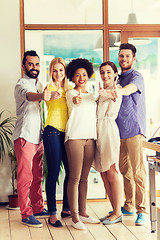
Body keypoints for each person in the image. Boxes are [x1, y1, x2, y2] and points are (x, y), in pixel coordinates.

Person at [13, 50, 51, 227]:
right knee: (25, 177)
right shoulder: (21, 85)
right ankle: (26, 214)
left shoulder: (39, 83)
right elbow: (29, 97)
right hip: (24, 137)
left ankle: (37, 207)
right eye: (30, 64)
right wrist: (42, 96)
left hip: (38, 138)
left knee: (37, 176)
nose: (34, 68)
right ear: (24, 65)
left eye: (36, 64)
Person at [112, 43, 147, 226]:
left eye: (127, 56)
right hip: (119, 131)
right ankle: (129, 205)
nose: (123, 59)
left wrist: (117, 91)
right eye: (121, 56)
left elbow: (130, 89)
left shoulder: (136, 76)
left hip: (134, 130)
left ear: (133, 59)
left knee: (138, 172)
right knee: (125, 170)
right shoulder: (118, 78)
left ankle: (142, 210)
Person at [65, 58, 100, 230]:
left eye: (84, 74)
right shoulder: (71, 94)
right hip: (75, 138)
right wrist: (77, 100)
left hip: (90, 139)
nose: (81, 77)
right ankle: (74, 217)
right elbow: (75, 102)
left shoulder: (92, 96)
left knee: (85, 178)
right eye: (77, 75)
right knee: (75, 178)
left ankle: (84, 213)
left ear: (89, 75)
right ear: (72, 76)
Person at [92, 61, 123, 225]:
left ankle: (118, 212)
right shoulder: (102, 92)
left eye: (109, 72)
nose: (105, 75)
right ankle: (114, 210)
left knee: (112, 171)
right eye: (102, 72)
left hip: (109, 130)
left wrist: (110, 94)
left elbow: (115, 96)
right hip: (98, 131)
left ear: (115, 73)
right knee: (103, 173)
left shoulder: (116, 90)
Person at [43, 57, 71, 228]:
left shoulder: (70, 89)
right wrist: (53, 95)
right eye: (55, 70)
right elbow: (49, 98)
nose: (58, 73)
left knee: (70, 171)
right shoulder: (49, 88)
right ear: (51, 72)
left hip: (68, 134)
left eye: (61, 70)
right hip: (52, 132)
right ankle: (52, 213)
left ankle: (67, 208)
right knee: (53, 173)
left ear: (65, 71)